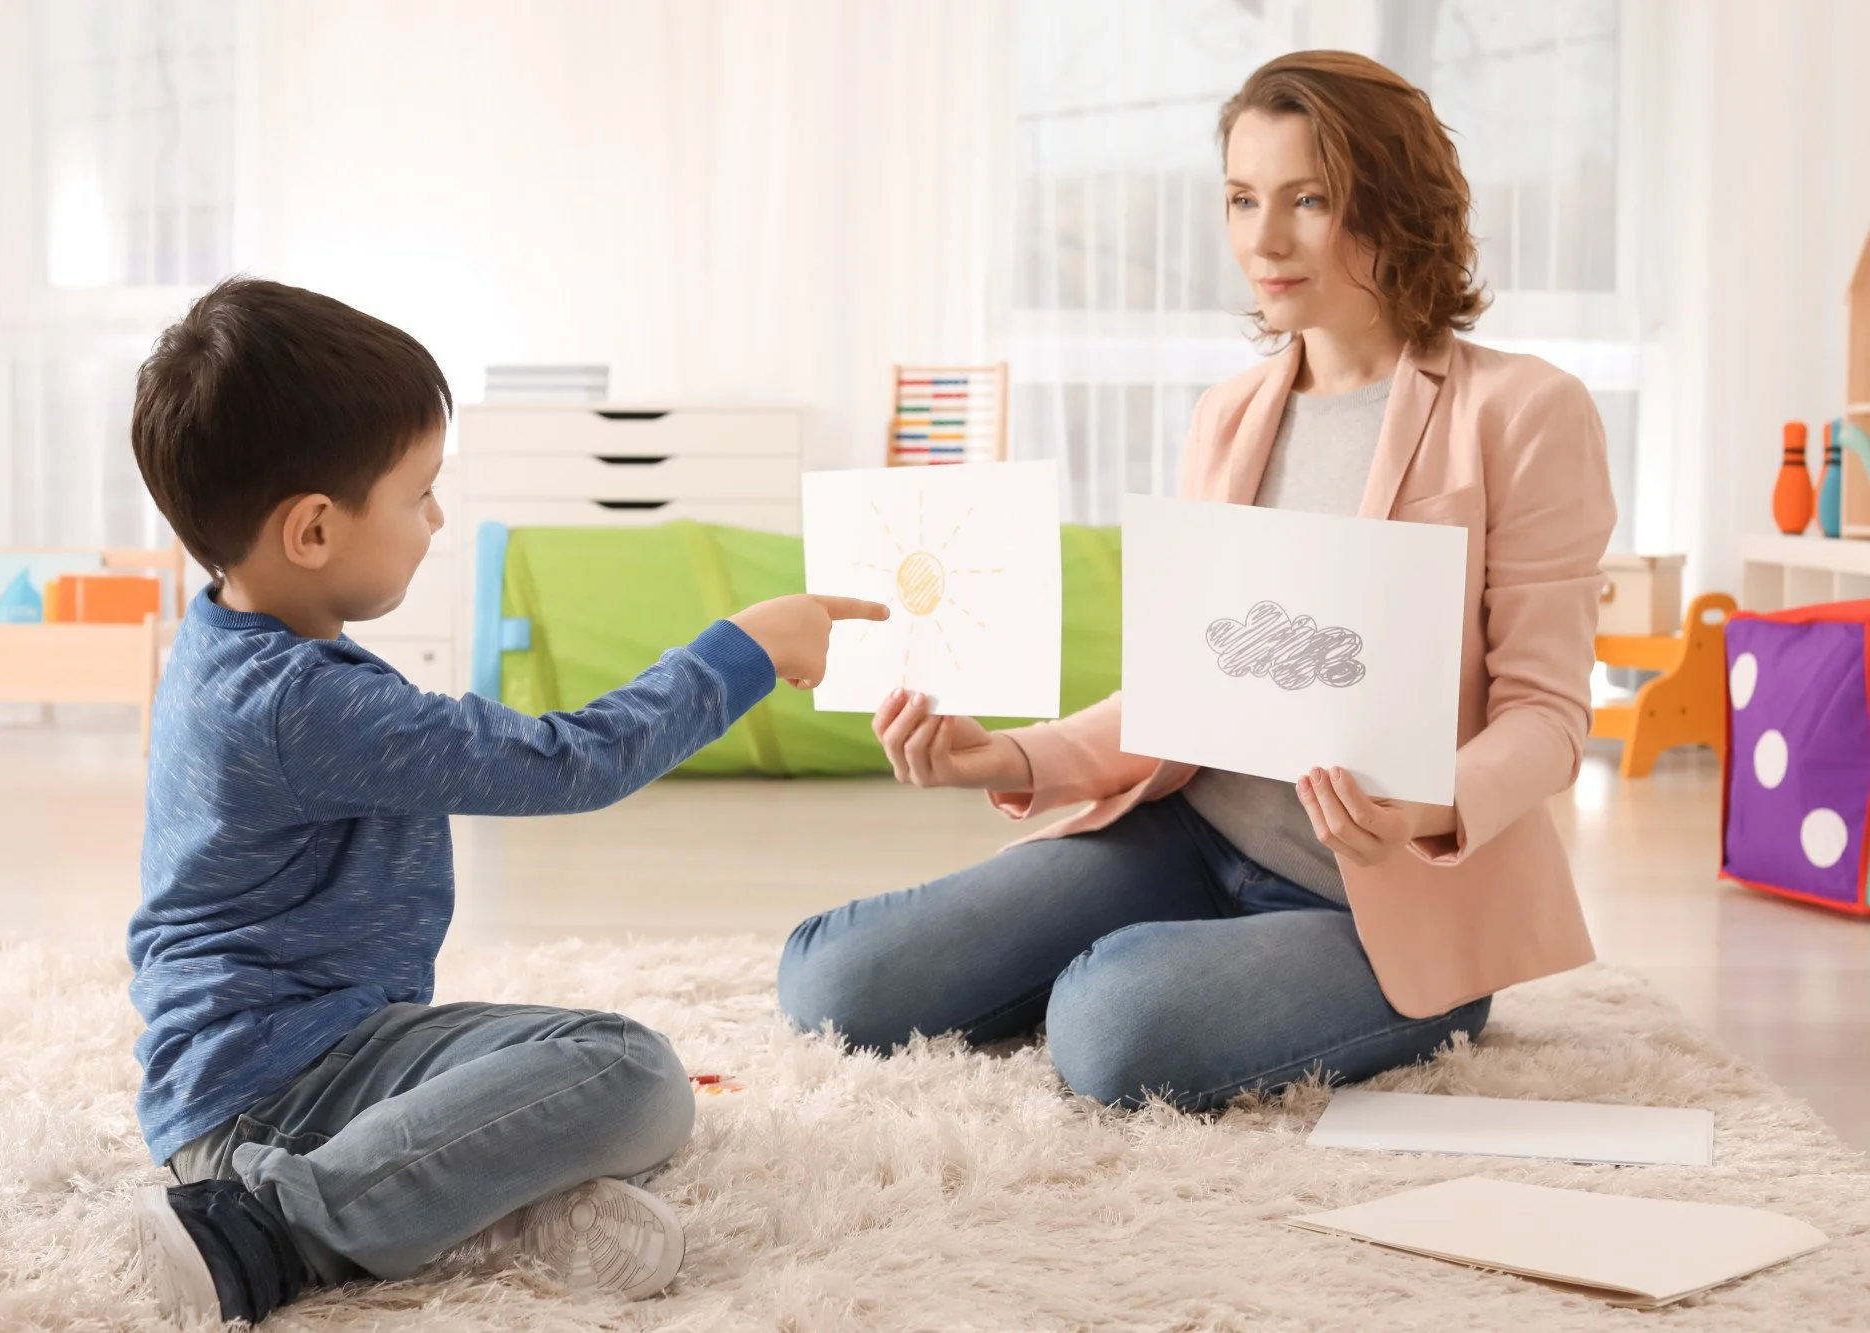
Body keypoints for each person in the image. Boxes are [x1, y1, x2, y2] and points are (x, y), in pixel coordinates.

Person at [777, 51, 1617, 1112]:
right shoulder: (1227, 415)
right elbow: (1182, 691)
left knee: (1109, 1024)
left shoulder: (1525, 412)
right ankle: (1170, 965)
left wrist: (1424, 809)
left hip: (1377, 904)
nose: (1262, 241)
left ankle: (1225, 984)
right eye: (1240, 199)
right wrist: (1006, 754)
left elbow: (1545, 719)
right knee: (834, 982)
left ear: (1395, 206)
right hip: (1188, 834)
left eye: (1307, 200)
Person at [124, 278, 884, 1326]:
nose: (437, 517)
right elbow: (571, 761)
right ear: (311, 531)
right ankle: (272, 1227)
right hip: (271, 1095)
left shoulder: (234, 636)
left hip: (299, 1055)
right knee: (624, 1070)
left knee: (574, 1093)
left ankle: (483, 1216)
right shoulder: (307, 703)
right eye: (418, 492)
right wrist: (741, 651)